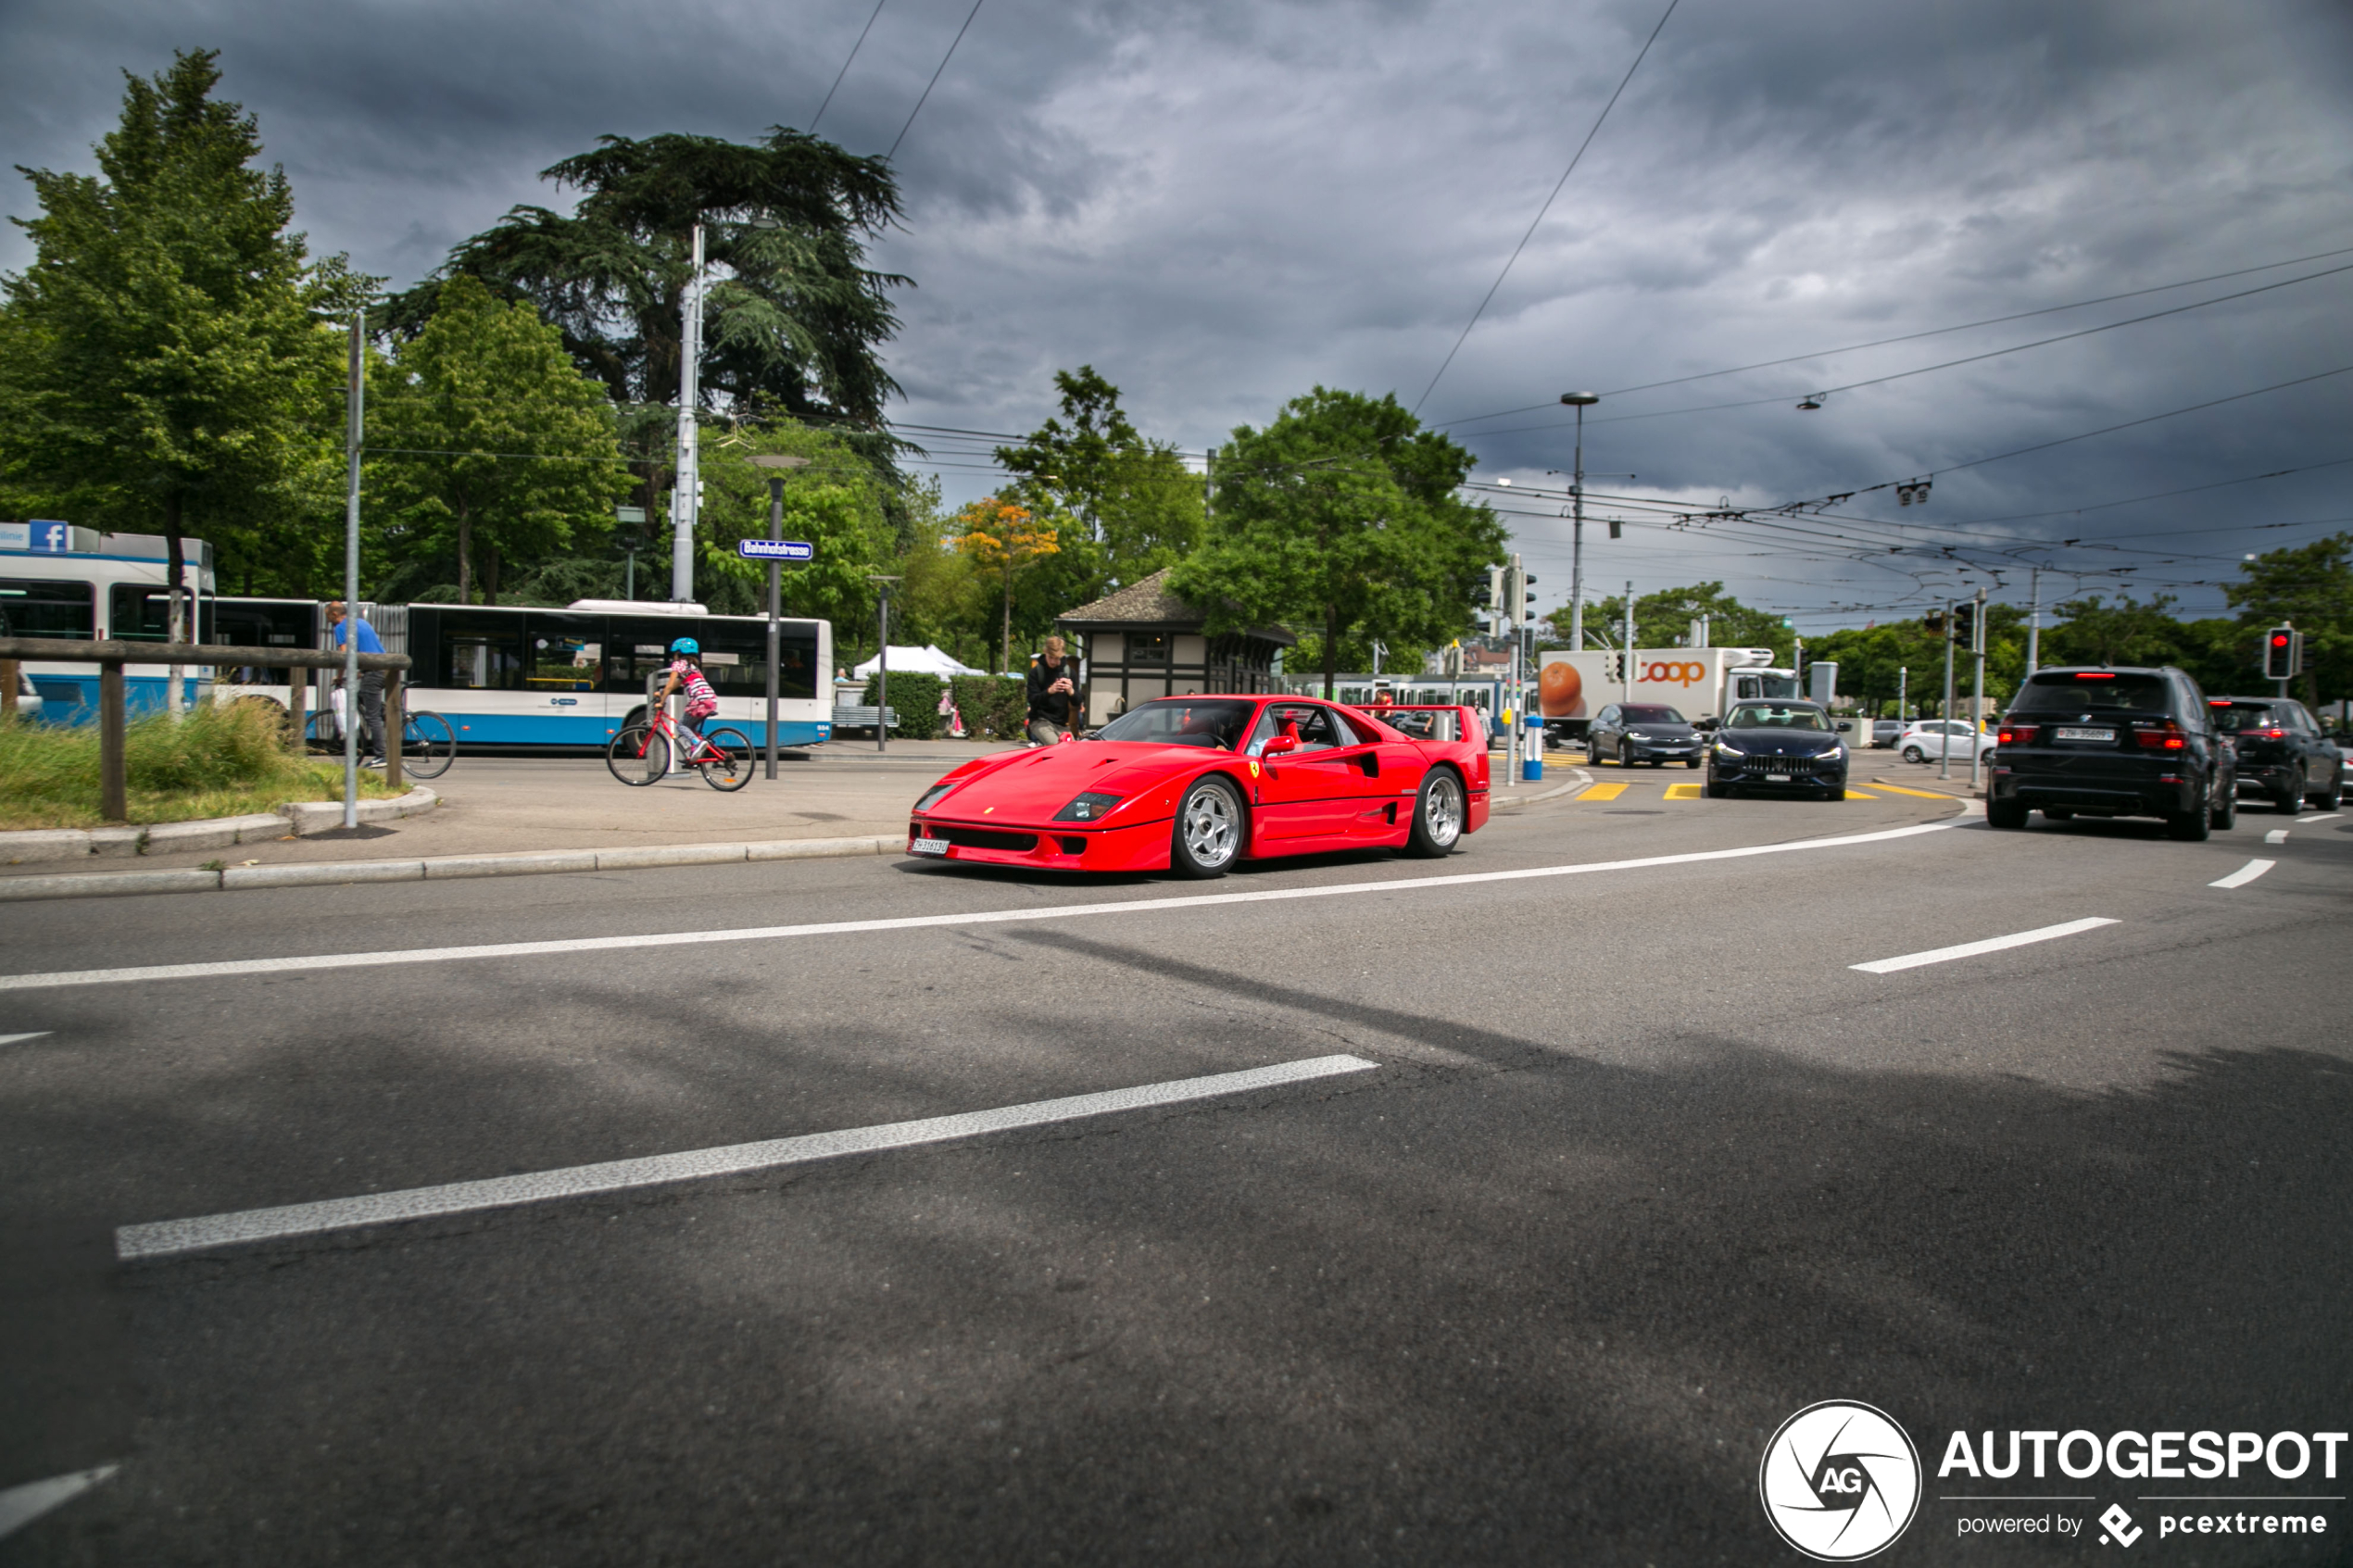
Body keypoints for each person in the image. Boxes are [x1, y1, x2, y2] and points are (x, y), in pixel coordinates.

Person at [325, 601, 385, 764]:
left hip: (374, 673)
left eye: (328, 616)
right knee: (364, 699)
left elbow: (344, 657)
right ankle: (394, 716)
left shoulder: (340, 627)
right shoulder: (361, 622)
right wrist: (359, 673)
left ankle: (382, 755)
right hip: (384, 669)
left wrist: (339, 677)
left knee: (372, 716)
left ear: (335, 615)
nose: (328, 620)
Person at [659, 637, 721, 753]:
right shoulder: (692, 667)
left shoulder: (678, 665)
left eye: (674, 653)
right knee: (691, 728)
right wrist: (661, 693)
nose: (673, 656)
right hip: (711, 700)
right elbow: (676, 685)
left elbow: (669, 685)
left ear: (679, 653)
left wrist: (661, 702)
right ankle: (697, 753)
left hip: (699, 701)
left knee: (681, 726)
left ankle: (698, 744)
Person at [1025, 634, 1081, 745]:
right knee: (1058, 748)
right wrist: (1049, 692)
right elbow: (1032, 699)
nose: (1053, 662)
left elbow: (1077, 702)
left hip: (1061, 723)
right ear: (1045, 651)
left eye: (1057, 658)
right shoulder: (1036, 672)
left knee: (1073, 752)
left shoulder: (1069, 672)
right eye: (1050, 657)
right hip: (1040, 721)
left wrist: (1071, 692)